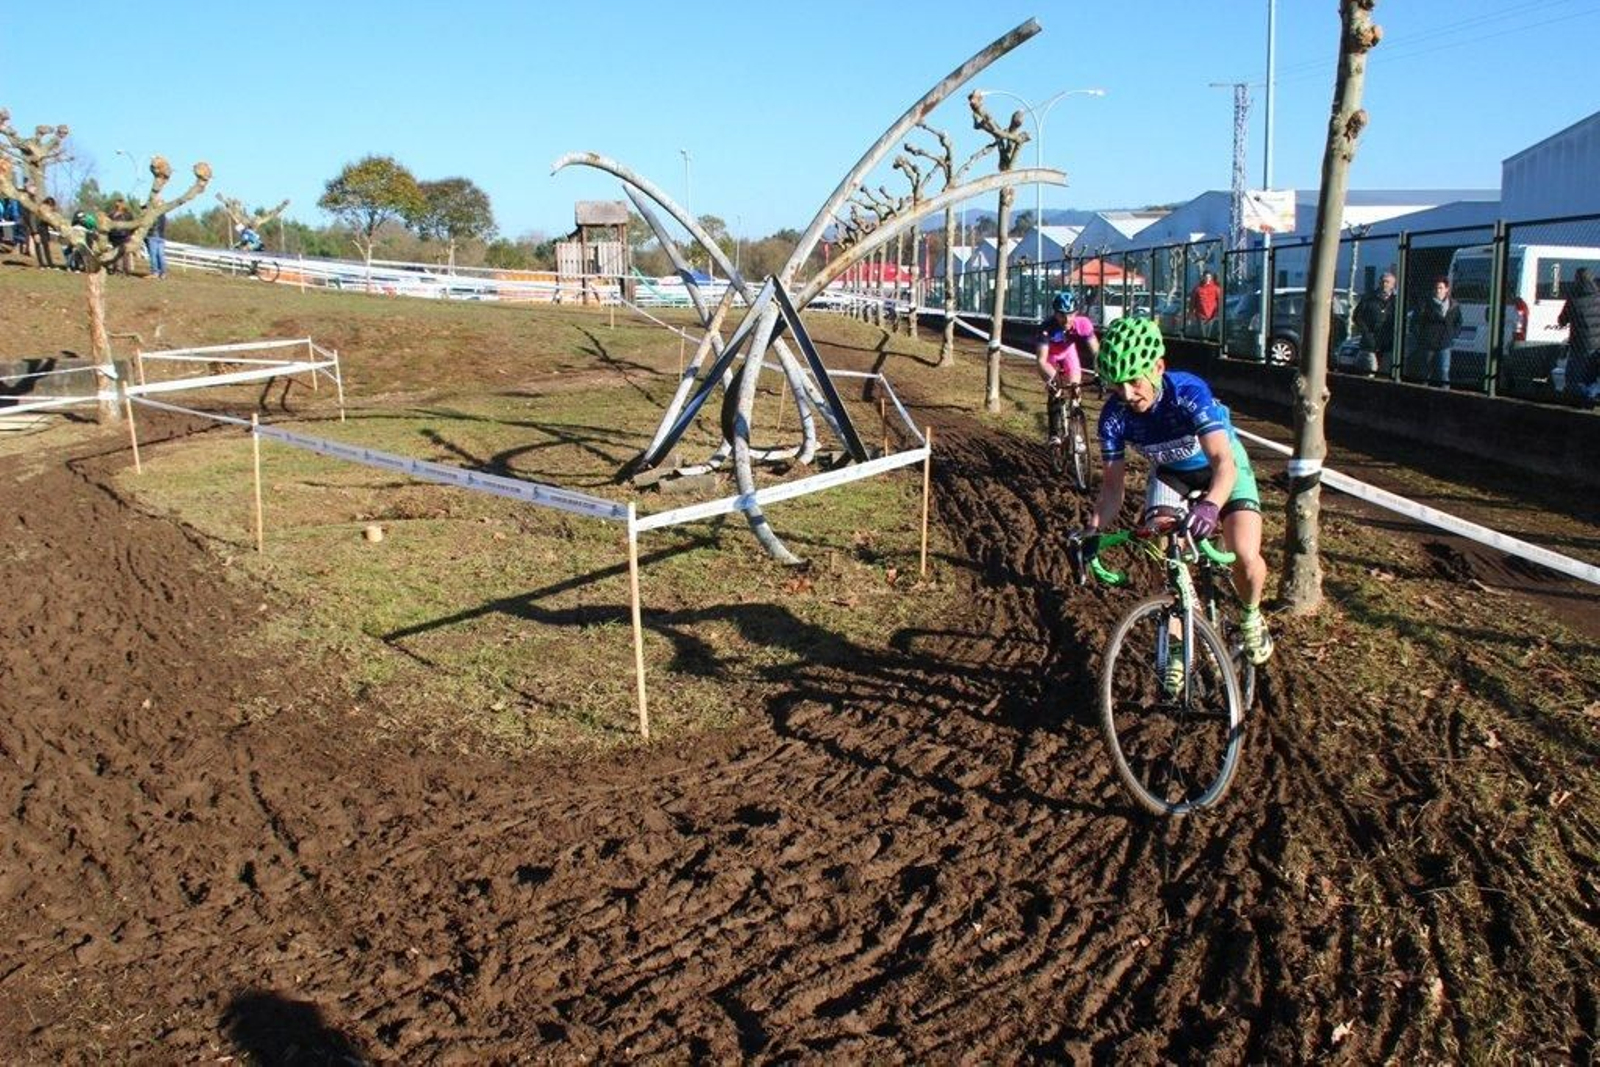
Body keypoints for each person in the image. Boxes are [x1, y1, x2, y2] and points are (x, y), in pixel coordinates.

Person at [1077, 316, 1274, 673]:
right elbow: (1111, 489)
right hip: (1172, 476)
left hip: (1224, 470)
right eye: (1116, 386)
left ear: (1158, 367)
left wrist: (1212, 504)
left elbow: (1223, 463)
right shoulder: (1113, 417)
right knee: (1163, 557)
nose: (1126, 394)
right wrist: (1092, 530)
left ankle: (1251, 615)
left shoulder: (1187, 392)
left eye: (1134, 381)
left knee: (1244, 554)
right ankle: (1178, 645)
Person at [1035, 290, 1099, 445]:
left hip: (1069, 352)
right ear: (1055, 314)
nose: (1066, 319)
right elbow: (1041, 360)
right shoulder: (1046, 328)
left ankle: (1076, 431)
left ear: (1076, 312)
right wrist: (1052, 379)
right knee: (1056, 388)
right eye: (1062, 314)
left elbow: (1097, 352)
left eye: (1070, 314)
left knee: (1075, 388)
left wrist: (1099, 373)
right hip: (1051, 355)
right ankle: (1054, 433)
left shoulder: (1083, 324)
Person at [1557, 266, 1600, 407]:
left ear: (1576, 281)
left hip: (1579, 344)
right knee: (1591, 376)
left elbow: (1562, 321)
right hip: (1597, 345)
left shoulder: (1573, 300)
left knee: (1573, 377)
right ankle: (1590, 397)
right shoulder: (1598, 298)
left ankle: (1580, 399)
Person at [1412, 277, 1462, 388]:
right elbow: (1415, 322)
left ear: (1446, 289)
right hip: (1428, 343)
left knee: (1444, 373)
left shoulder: (1454, 305)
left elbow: (1459, 322)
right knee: (1425, 374)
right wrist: (1421, 337)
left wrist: (1452, 335)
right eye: (1436, 288)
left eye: (1440, 288)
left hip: (1444, 344)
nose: (1437, 290)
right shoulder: (1425, 304)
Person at [1353, 270, 1398, 376]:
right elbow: (1357, 317)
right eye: (1382, 281)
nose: (1384, 284)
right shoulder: (1368, 298)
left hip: (1388, 342)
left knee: (1385, 371)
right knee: (1371, 369)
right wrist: (1366, 332)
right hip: (1371, 340)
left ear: (1393, 284)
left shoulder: (1396, 300)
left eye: (1387, 282)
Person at [1189, 270, 1221, 340]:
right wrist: (1191, 314)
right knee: (1202, 336)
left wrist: (1218, 313)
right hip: (1200, 315)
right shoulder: (1197, 288)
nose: (1207, 279)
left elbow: (1219, 301)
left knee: (1208, 336)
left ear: (1211, 278)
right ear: (1203, 278)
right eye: (1206, 277)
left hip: (1211, 316)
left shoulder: (1215, 288)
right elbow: (1192, 302)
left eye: (1209, 277)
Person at [107, 198, 133, 274]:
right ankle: (117, 269)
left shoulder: (127, 214)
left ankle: (125, 269)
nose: (117, 205)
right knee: (116, 253)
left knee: (125, 253)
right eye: (117, 203)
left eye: (119, 203)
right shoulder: (112, 214)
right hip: (115, 236)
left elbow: (131, 225)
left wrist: (130, 234)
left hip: (124, 236)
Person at [145, 209, 167, 280]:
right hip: (161, 237)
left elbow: (150, 224)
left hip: (153, 236)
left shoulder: (153, 213)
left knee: (153, 255)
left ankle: (155, 273)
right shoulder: (163, 215)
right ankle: (163, 273)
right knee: (160, 255)